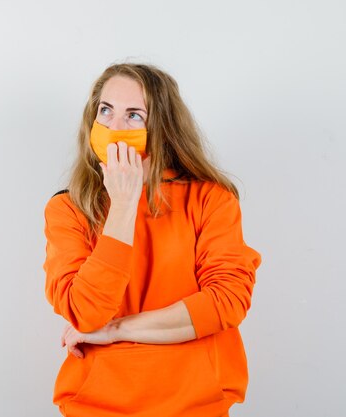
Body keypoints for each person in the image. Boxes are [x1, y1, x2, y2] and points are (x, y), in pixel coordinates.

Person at [42, 63, 262, 417]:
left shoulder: (211, 200)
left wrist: (116, 330)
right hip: (95, 406)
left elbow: (226, 303)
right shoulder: (67, 209)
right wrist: (124, 206)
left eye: (134, 115)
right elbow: (83, 312)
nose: (114, 127)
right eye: (106, 110)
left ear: (161, 127)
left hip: (196, 404)